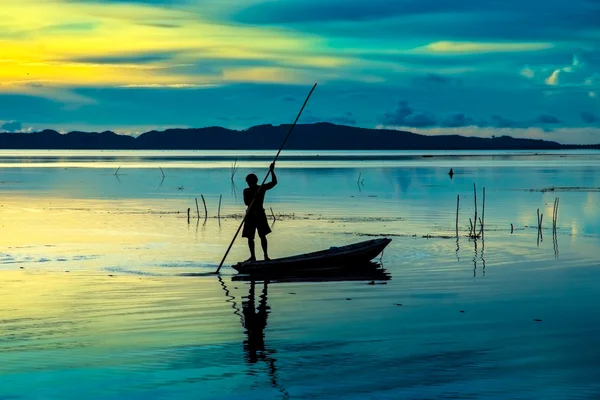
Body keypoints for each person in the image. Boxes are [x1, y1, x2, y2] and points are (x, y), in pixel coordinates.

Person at [242, 162, 277, 262]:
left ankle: (265, 256)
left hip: (260, 215)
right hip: (249, 216)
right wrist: (254, 196)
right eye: (248, 182)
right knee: (250, 237)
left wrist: (272, 171)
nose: (249, 183)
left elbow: (274, 182)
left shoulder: (261, 188)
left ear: (255, 181)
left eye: (250, 181)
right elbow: (246, 203)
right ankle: (252, 256)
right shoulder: (246, 191)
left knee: (262, 235)